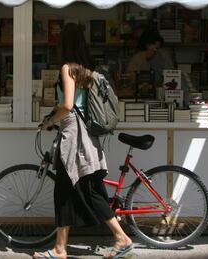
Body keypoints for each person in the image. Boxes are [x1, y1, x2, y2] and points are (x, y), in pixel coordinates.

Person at [33, 23, 133, 259]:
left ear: (63, 45)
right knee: (73, 192)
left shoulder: (68, 68)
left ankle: (122, 239)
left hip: (75, 138)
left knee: (84, 192)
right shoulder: (86, 70)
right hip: (85, 136)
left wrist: (49, 121)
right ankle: (60, 248)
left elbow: (68, 105)